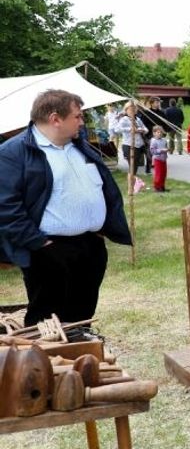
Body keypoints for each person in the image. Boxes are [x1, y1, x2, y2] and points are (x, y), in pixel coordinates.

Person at [0, 89, 131, 327]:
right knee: (46, 322)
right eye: (77, 116)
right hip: (47, 250)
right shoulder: (13, 153)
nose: (82, 122)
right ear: (55, 119)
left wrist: (101, 230)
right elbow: (6, 208)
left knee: (82, 316)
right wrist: (40, 244)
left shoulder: (79, 146)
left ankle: (78, 359)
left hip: (90, 246)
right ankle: (46, 363)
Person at [113, 102, 147, 180]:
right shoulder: (124, 119)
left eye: (134, 109)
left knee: (135, 166)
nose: (133, 110)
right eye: (130, 109)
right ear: (126, 110)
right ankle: (131, 184)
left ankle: (133, 182)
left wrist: (142, 130)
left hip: (139, 144)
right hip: (129, 145)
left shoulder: (138, 119)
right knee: (132, 165)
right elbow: (117, 129)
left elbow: (146, 129)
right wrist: (129, 129)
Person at [149, 126, 169, 192]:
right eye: (158, 132)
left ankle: (162, 186)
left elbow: (166, 147)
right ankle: (157, 187)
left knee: (164, 173)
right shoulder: (153, 141)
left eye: (161, 132)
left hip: (164, 159)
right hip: (157, 159)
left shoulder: (164, 140)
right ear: (154, 133)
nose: (159, 133)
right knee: (159, 174)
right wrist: (161, 150)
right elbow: (153, 151)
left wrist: (167, 149)